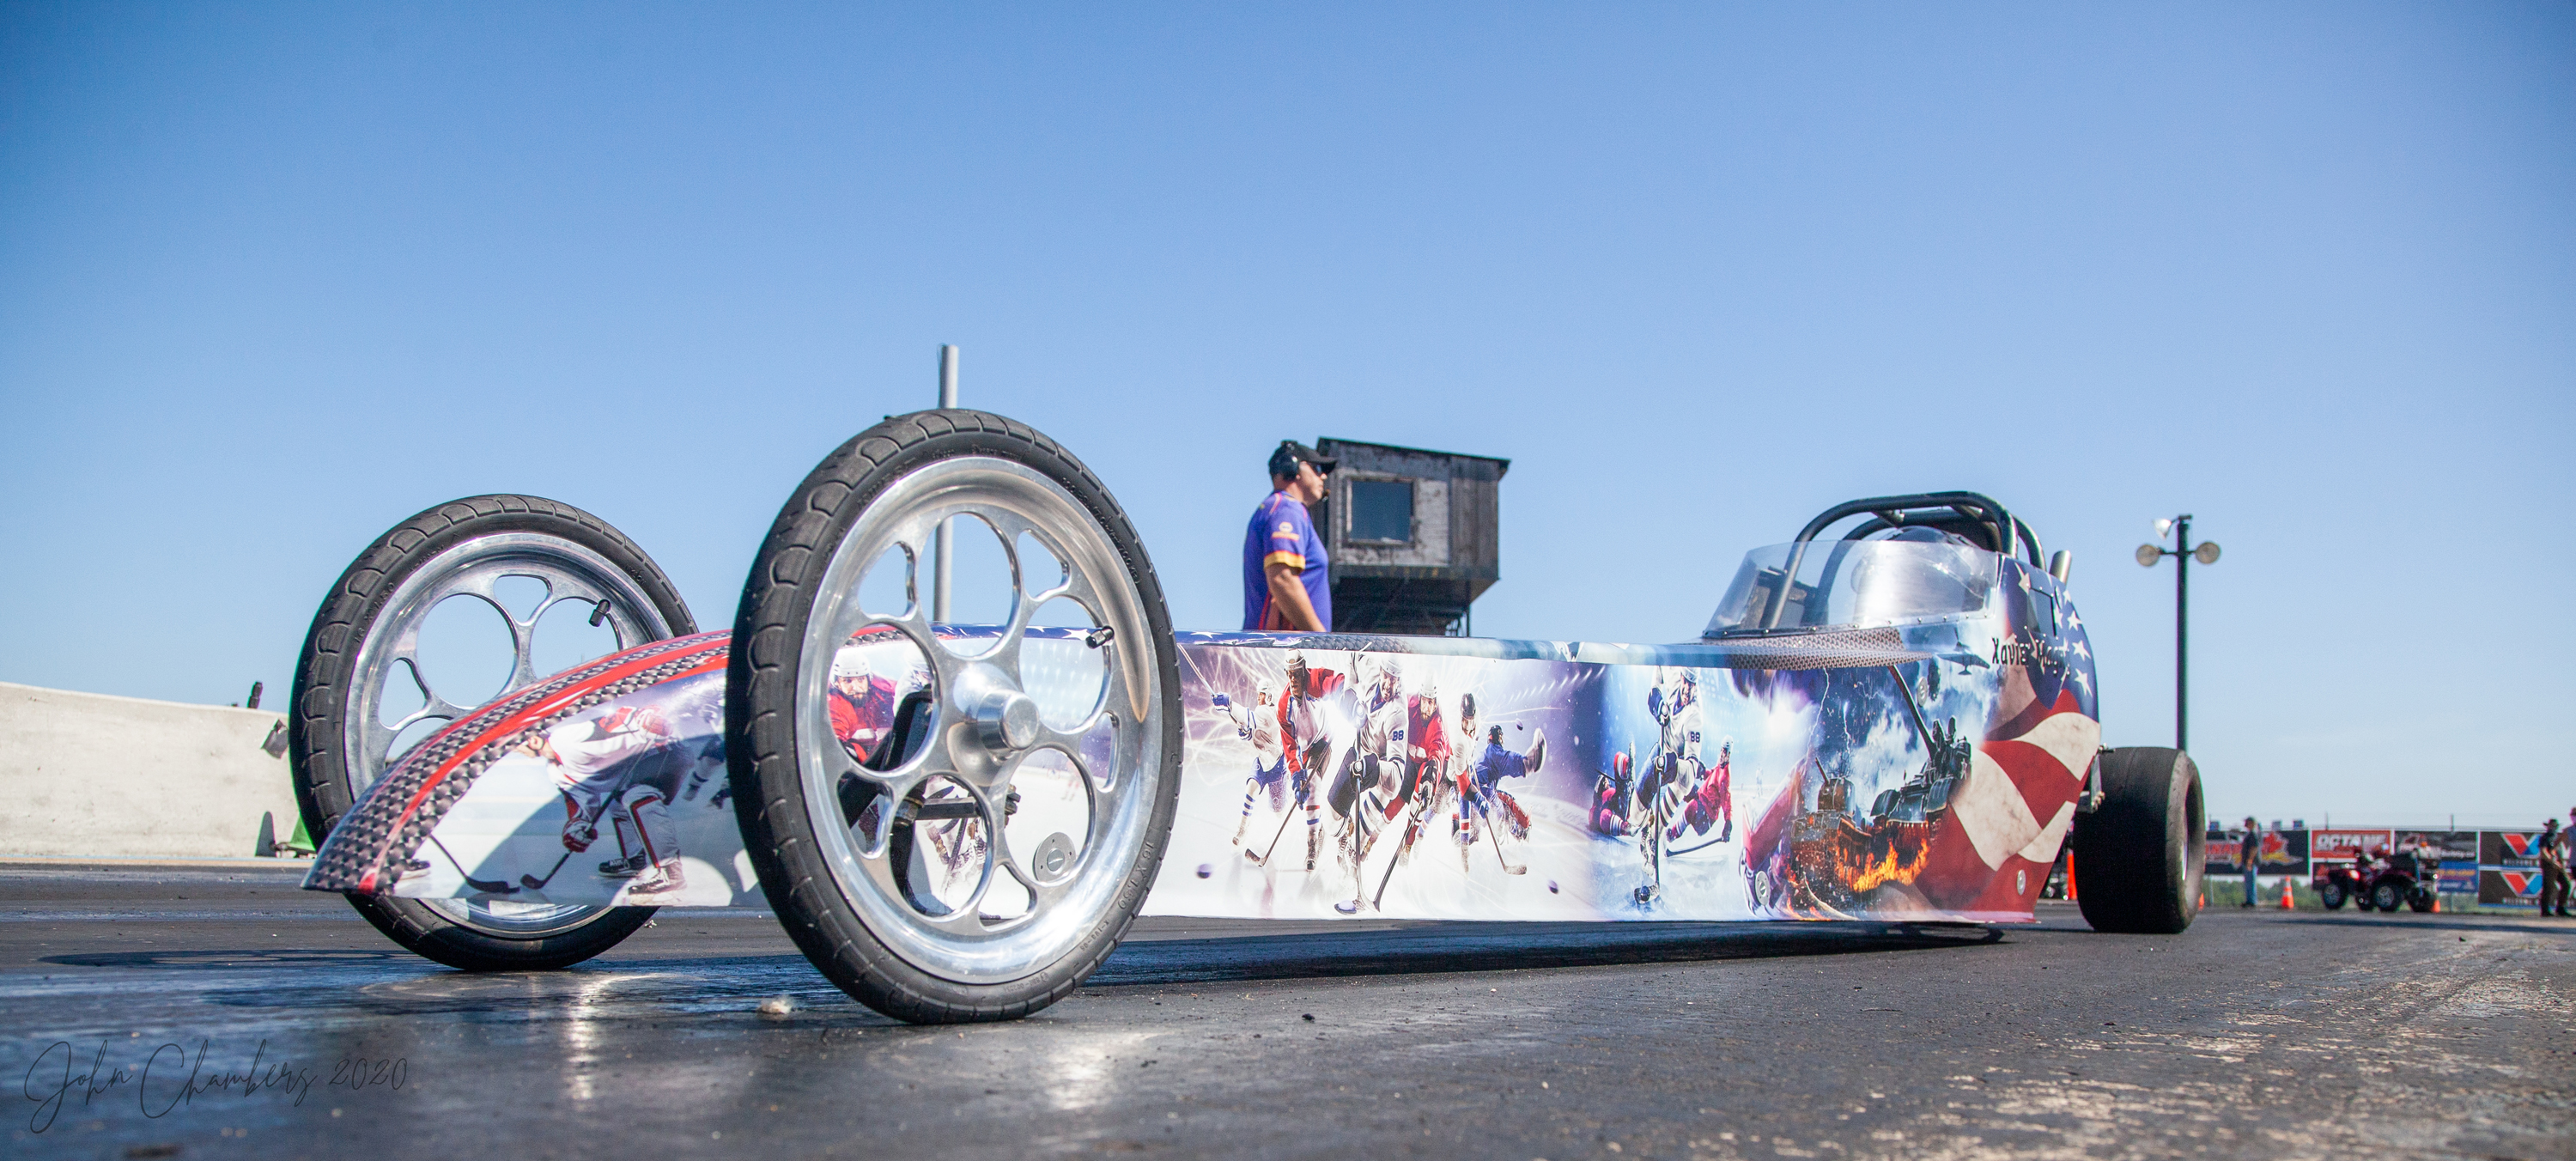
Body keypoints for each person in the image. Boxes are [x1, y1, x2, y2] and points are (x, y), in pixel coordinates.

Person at [1242, 441, 1335, 632]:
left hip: (1282, 651)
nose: (1323, 475)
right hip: (1284, 653)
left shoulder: (1277, 507)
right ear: (1292, 467)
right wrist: (1323, 641)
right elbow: (1282, 578)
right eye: (1317, 468)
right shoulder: (1287, 509)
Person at [2538, 818, 2571, 918]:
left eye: (2556, 826)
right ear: (2548, 826)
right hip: (2549, 865)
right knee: (2548, 887)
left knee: (2566, 884)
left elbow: (2559, 851)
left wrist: (2560, 862)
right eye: (2552, 825)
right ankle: (2545, 910)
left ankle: (2560, 908)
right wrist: (2553, 862)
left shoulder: (2557, 837)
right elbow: (2543, 852)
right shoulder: (2545, 837)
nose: (2554, 828)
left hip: (2558, 864)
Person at [2239, 817, 2262, 907]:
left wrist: (2249, 860)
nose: (2245, 824)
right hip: (2248, 861)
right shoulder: (2250, 834)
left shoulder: (2253, 834)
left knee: (2251, 881)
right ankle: (2249, 900)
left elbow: (2254, 848)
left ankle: (2252, 901)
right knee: (2248, 881)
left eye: (2247, 822)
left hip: (2251, 862)